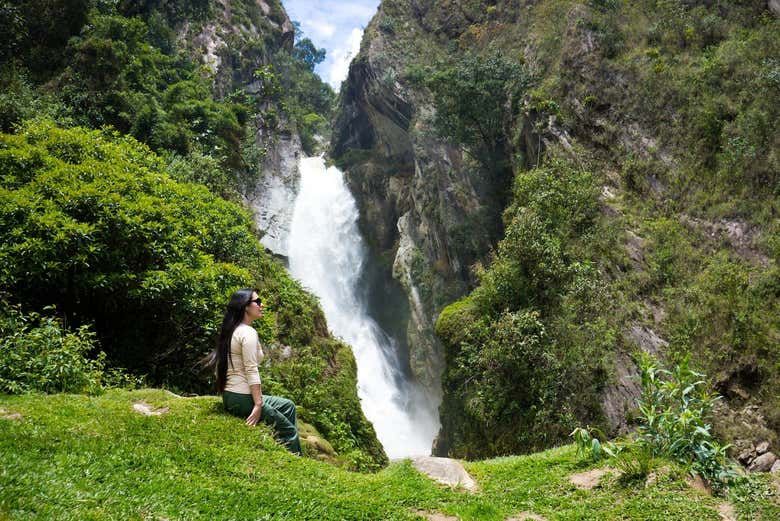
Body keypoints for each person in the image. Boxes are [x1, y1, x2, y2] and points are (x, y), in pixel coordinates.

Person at [208, 288, 301, 454]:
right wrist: (258, 404)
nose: (261, 305)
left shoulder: (232, 330)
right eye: (257, 302)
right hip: (243, 397)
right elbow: (251, 370)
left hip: (230, 396)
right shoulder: (247, 333)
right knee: (290, 432)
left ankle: (284, 451)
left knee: (288, 406)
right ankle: (295, 462)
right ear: (245, 307)